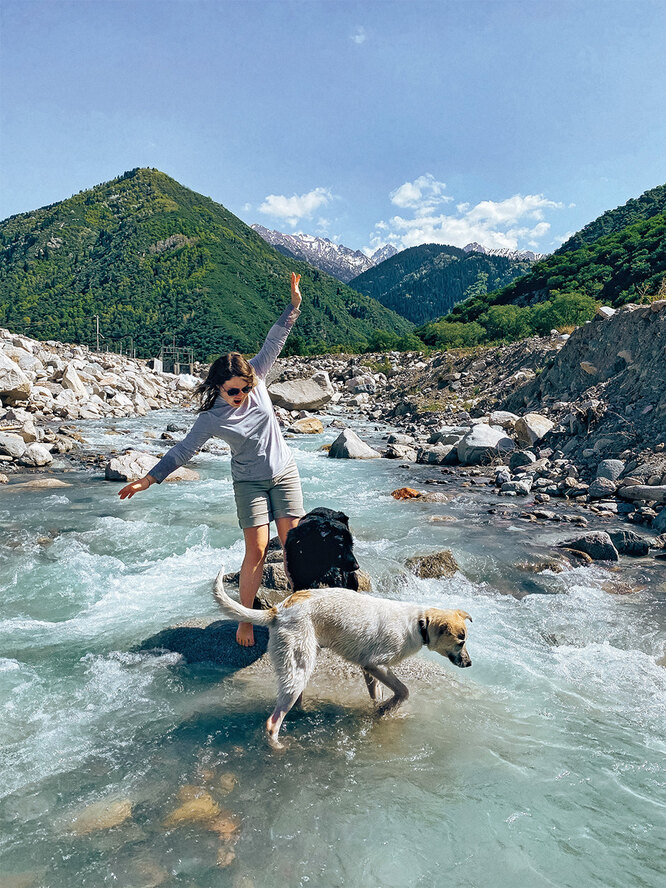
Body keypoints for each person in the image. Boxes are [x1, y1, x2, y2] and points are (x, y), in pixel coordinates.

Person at [118, 272, 306, 648]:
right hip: (249, 482)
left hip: (284, 472)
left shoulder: (257, 376)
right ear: (218, 387)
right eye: (233, 391)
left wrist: (294, 305)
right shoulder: (211, 418)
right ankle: (246, 620)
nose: (241, 395)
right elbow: (184, 450)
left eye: (245, 388)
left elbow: (275, 340)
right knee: (255, 549)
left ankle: (301, 615)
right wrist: (148, 478)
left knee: (293, 546)